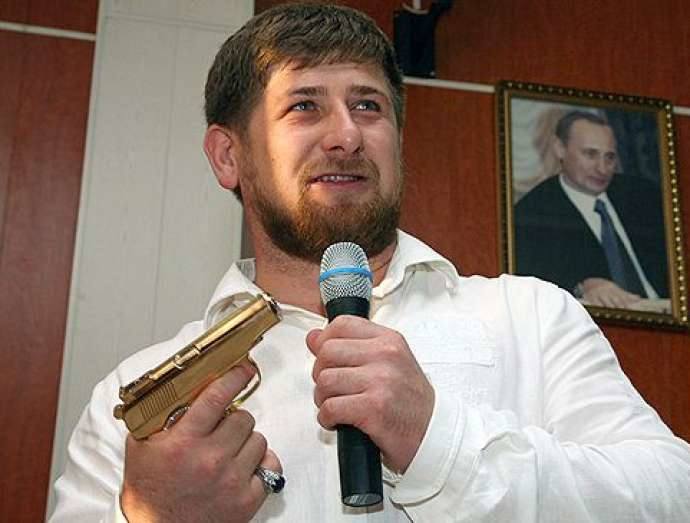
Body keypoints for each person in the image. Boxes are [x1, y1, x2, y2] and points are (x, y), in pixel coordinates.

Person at [51, 4, 690, 522]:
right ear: (228, 157)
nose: (347, 136)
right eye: (304, 105)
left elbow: (671, 497)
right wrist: (159, 518)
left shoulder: (533, 316)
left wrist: (438, 443)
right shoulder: (138, 399)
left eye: (368, 106)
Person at [514, 110, 669, 309]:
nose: (602, 169)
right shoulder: (532, 214)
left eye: (609, 157)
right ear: (560, 149)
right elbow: (534, 286)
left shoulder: (644, 196)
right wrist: (582, 285)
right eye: (590, 154)